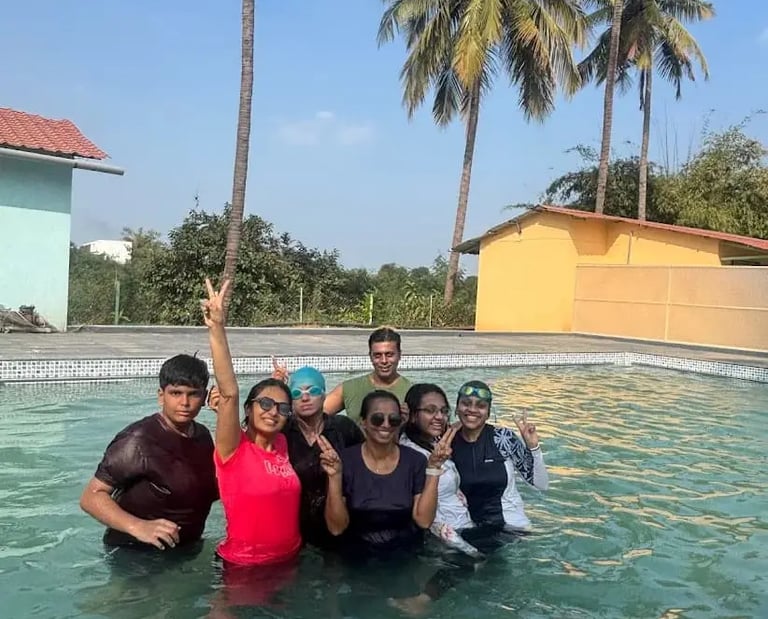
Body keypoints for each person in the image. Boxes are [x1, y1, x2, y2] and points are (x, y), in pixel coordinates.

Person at [202, 279, 301, 568]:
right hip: (244, 566)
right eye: (265, 405)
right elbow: (230, 392)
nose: (273, 412)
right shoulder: (234, 449)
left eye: (281, 408)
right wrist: (218, 328)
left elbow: (274, 401)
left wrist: (278, 381)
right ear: (248, 409)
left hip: (290, 561)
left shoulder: (281, 443)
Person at [79, 354, 218, 550]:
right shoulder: (138, 440)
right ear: (161, 396)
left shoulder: (202, 436)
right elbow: (91, 497)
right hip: (134, 552)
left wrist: (224, 414)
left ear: (204, 397)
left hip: (186, 548)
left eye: (193, 394)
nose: (184, 402)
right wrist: (138, 526)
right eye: (176, 393)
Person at [322, 390, 452, 555]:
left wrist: (434, 468)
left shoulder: (415, 461)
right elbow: (336, 528)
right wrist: (334, 477)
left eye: (393, 420)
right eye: (377, 419)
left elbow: (424, 521)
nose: (386, 425)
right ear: (363, 422)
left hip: (405, 557)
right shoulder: (344, 461)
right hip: (357, 558)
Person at [450, 380, 549, 542]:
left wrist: (533, 448)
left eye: (480, 406)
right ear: (457, 407)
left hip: (512, 527)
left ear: (489, 412)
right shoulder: (447, 440)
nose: (472, 410)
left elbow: (540, 484)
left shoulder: (503, 438)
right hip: (470, 528)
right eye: (466, 404)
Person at [400, 383, 480, 557]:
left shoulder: (434, 443)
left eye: (444, 411)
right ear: (413, 415)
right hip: (446, 543)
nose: (439, 417)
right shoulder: (411, 454)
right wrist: (470, 552)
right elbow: (424, 516)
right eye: (430, 410)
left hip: (464, 530)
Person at [323, 327, 411, 421]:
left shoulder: (411, 392)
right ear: (370, 356)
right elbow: (315, 415)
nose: (384, 361)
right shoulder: (350, 388)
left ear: (399, 355)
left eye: (389, 355)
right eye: (377, 355)